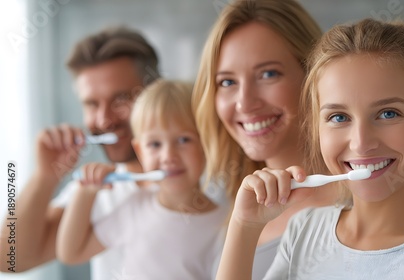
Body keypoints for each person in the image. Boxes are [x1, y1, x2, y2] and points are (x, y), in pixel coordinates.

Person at [216, 18, 404, 279]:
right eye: (339, 118)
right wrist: (245, 226)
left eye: (388, 113)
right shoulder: (305, 230)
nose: (361, 142)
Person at [192, 0, 337, 278]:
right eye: (227, 82)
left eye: (268, 74)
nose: (245, 103)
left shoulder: (357, 203)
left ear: (313, 77)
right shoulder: (232, 202)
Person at [0, 26, 160, 279]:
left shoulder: (206, 174)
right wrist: (46, 176)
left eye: (120, 99)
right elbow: (9, 258)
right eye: (92, 104)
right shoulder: (92, 188)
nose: (104, 120)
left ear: (154, 92)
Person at [57, 79, 228, 280]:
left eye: (183, 140)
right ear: (140, 151)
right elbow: (71, 253)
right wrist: (85, 194)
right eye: (155, 144)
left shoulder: (225, 225)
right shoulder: (135, 207)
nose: (168, 156)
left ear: (207, 144)